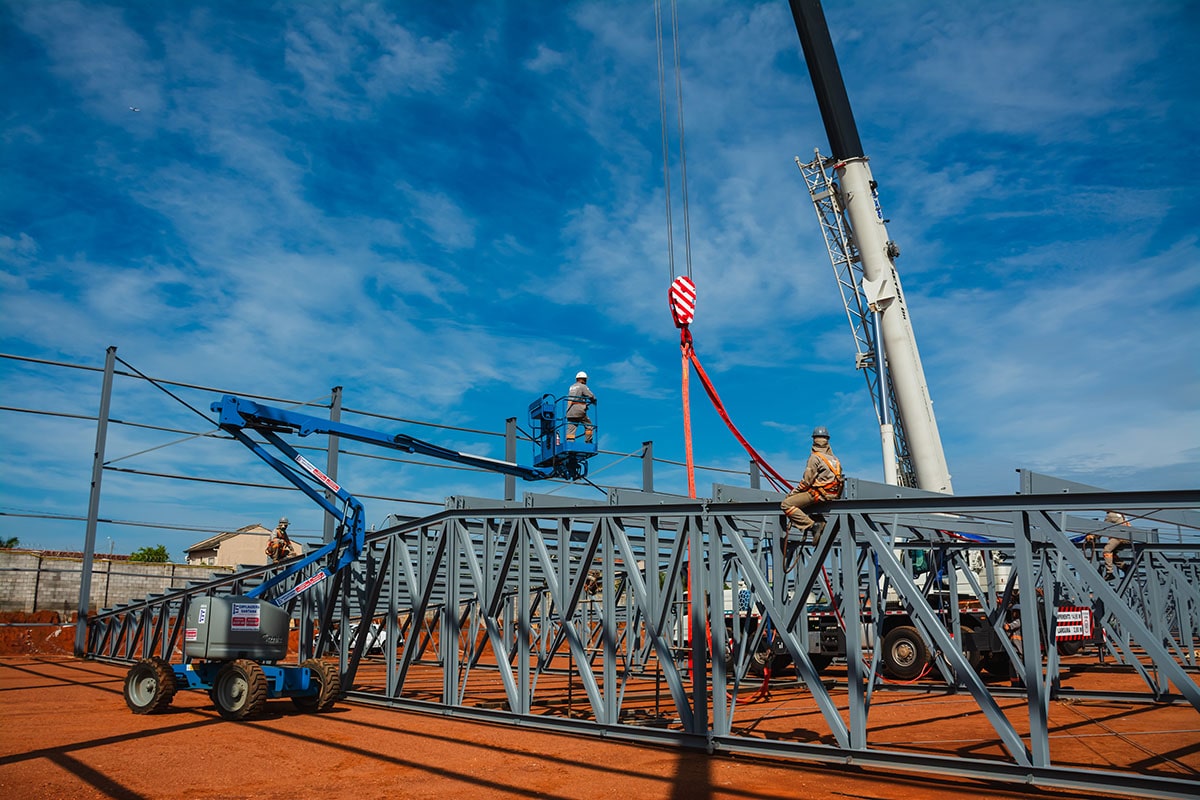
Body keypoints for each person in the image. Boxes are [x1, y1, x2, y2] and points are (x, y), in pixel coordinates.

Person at [780, 427, 844, 542]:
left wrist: (793, 493)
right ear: (827, 440)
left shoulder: (815, 458)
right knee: (805, 505)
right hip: (833, 494)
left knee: (786, 504)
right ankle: (819, 520)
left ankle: (812, 526)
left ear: (814, 440)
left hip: (819, 494)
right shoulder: (835, 460)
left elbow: (806, 481)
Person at [1087, 511, 1131, 578]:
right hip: (1126, 537)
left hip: (1119, 536)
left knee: (1107, 551)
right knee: (1111, 554)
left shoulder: (1111, 515)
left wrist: (1092, 536)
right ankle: (1124, 566)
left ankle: (1109, 572)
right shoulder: (1120, 514)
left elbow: (1103, 528)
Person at [565, 370, 596, 443]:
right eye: (585, 379)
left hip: (569, 411)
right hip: (579, 411)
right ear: (583, 379)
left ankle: (570, 443)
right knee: (589, 425)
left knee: (571, 428)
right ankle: (588, 441)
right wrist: (593, 400)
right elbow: (590, 395)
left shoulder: (572, 387)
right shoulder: (582, 386)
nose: (586, 381)